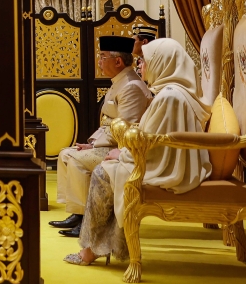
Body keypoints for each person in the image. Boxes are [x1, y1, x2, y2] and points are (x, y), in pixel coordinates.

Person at [66, 38, 211, 266]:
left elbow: (151, 141)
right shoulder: (169, 92)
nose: (140, 65)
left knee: (104, 174)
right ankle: (101, 247)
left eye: (145, 60)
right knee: (109, 170)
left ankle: (92, 249)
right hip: (167, 159)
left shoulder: (169, 97)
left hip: (169, 166)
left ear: (163, 63)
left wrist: (123, 155)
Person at [52, 36, 152, 237]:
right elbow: (108, 122)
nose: (99, 62)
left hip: (123, 150)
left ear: (118, 61)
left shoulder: (130, 86)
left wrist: (98, 146)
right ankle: (78, 213)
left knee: (75, 159)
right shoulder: (120, 81)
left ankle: (87, 220)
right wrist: (92, 144)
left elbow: (126, 129)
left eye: (102, 56)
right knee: (65, 153)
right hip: (110, 142)